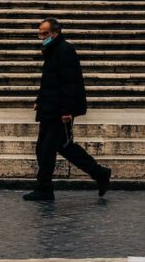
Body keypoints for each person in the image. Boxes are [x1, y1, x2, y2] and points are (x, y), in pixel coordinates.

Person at [23, 17, 111, 202]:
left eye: (45, 33)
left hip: (58, 110)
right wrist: (39, 100)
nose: (42, 37)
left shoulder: (65, 50)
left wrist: (67, 111)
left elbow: (71, 82)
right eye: (40, 33)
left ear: (56, 32)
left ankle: (44, 188)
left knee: (46, 149)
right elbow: (50, 80)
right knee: (62, 147)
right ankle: (100, 173)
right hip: (50, 107)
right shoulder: (52, 49)